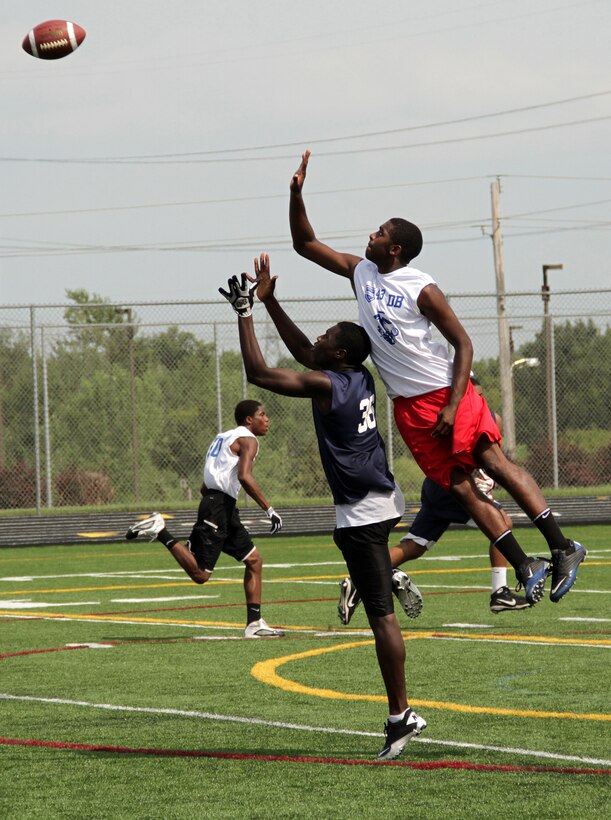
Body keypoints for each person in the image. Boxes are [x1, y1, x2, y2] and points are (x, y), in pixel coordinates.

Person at [289, 150, 587, 607]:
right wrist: (296, 194)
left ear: (396, 250)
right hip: (409, 406)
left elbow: (463, 343)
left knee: (495, 466)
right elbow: (305, 244)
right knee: (460, 489)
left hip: (445, 392)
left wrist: (452, 403)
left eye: (381, 232)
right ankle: (525, 565)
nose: (372, 233)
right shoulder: (361, 271)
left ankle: (563, 547)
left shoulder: (421, 287)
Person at [219, 254, 426, 761]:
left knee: (382, 621)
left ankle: (401, 715)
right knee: (374, 585)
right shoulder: (355, 376)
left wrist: (246, 311)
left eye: (327, 336)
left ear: (338, 354)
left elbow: (259, 371)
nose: (320, 338)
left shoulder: (328, 383)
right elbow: (306, 353)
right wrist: (271, 303)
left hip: (361, 513)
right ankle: (378, 576)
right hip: (380, 500)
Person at [338, 378, 529, 623]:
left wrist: (487, 476)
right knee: (502, 523)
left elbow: (491, 456)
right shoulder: (449, 417)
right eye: (472, 395)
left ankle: (359, 579)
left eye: (479, 396)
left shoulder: (492, 417)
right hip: (450, 486)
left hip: (439, 488)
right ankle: (500, 592)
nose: (476, 401)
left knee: (414, 547)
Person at [125, 399, 285, 639]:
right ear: (249, 420)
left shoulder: (223, 436)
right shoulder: (248, 440)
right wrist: (269, 509)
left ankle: (254, 624)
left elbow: (205, 483)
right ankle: (161, 532)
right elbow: (244, 476)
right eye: (262, 414)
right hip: (219, 507)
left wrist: (217, 505)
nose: (267, 419)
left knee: (254, 560)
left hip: (220, 506)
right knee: (201, 574)